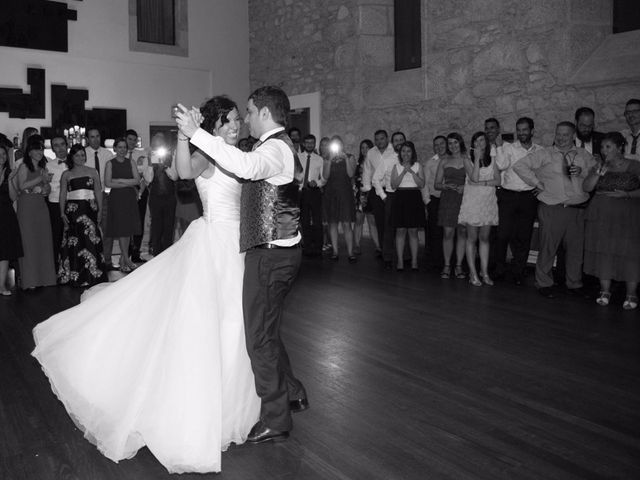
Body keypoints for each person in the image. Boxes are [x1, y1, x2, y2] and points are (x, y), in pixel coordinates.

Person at [32, 96, 261, 474]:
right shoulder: (210, 154)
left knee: (236, 325)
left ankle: (233, 403)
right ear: (216, 125)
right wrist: (188, 136)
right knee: (214, 323)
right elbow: (183, 173)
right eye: (230, 121)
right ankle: (202, 408)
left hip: (238, 245)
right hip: (215, 245)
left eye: (239, 120)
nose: (236, 126)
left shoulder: (239, 154)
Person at [176, 85, 309, 446]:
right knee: (263, 328)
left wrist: (197, 133)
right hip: (260, 248)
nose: (245, 118)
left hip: (270, 254)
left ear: (264, 113)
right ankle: (291, 391)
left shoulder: (273, 149)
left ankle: (276, 418)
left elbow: (247, 169)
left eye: (248, 111)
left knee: (258, 337)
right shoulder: (270, 145)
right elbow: (195, 171)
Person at [513, 121, 595, 299]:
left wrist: (582, 172)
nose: (561, 137)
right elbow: (519, 166)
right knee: (548, 248)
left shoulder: (584, 155)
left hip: (577, 210)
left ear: (573, 136)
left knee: (575, 250)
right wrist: (537, 183)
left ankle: (574, 284)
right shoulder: (545, 154)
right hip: (552, 208)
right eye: (558, 134)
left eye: (566, 134)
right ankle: (544, 282)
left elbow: (595, 174)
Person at [583, 132, 640, 309]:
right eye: (602, 147)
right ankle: (605, 290)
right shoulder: (599, 166)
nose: (603, 150)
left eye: (608, 147)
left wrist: (628, 194)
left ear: (620, 147)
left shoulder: (634, 165)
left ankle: (631, 294)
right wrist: (597, 174)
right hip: (601, 215)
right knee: (604, 251)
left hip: (627, 215)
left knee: (629, 253)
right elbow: (586, 187)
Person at [494, 117, 542, 285]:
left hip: (529, 197)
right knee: (502, 235)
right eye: (519, 130)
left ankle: (518, 272)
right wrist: (499, 146)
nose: (521, 133)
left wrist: (541, 187)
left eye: (525, 130)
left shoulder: (540, 150)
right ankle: (499, 270)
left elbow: (545, 173)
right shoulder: (509, 148)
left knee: (523, 236)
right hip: (508, 195)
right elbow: (500, 165)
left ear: (532, 131)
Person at [57, 144, 107, 287]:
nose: (81, 158)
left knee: (91, 240)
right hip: (73, 211)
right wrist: (61, 213)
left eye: (82, 155)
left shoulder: (93, 171)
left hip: (90, 209)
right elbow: (62, 195)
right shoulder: (66, 174)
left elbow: (98, 191)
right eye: (77, 155)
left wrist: (100, 210)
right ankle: (74, 275)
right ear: (71, 157)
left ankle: (93, 275)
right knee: (74, 240)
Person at [458, 132, 501, 286]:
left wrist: (483, 184)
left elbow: (498, 180)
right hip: (473, 203)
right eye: (476, 141)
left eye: (482, 140)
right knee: (472, 238)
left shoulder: (493, 158)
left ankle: (485, 272)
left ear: (486, 142)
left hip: (488, 202)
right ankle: (472, 273)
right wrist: (476, 158)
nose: (479, 143)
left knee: (484, 238)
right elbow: (474, 177)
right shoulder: (467, 159)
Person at [15, 139, 57, 289]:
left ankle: (45, 278)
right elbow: (21, 186)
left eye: (41, 150)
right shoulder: (24, 166)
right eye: (37, 150)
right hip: (26, 206)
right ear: (30, 152)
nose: (40, 153)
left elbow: (47, 189)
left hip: (40, 205)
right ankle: (30, 280)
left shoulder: (43, 168)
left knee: (43, 241)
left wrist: (45, 187)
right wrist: (41, 179)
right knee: (28, 242)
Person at [103, 138, 142, 273]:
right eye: (119, 147)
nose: (122, 150)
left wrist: (119, 181)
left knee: (127, 230)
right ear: (114, 149)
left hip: (129, 198)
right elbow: (108, 183)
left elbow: (137, 180)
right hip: (117, 199)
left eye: (124, 147)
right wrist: (128, 182)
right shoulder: (110, 163)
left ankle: (123, 259)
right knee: (121, 229)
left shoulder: (131, 162)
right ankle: (127, 259)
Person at [435, 132, 467, 279]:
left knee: (462, 233)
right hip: (448, 198)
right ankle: (447, 265)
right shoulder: (444, 161)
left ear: (460, 143)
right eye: (450, 143)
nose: (453, 146)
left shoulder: (468, 159)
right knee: (448, 233)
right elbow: (437, 184)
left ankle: (459, 265)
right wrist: (446, 186)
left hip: (465, 199)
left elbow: (475, 181)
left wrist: (465, 188)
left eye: (455, 142)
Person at [390, 141, 426, 270]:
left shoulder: (418, 166)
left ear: (413, 153)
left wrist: (411, 171)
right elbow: (394, 185)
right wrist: (403, 172)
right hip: (400, 198)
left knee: (413, 231)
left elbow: (421, 184)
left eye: (408, 151)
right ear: (400, 153)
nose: (406, 153)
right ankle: (400, 261)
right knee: (400, 231)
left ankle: (414, 261)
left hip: (414, 198)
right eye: (403, 151)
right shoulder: (396, 166)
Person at [323, 135, 357, 262]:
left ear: (342, 145)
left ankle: (350, 252)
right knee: (332, 223)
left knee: (347, 223)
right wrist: (330, 160)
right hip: (331, 193)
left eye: (339, 144)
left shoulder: (350, 157)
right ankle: (335, 252)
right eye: (334, 144)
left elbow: (350, 174)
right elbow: (325, 176)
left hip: (345, 193)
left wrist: (346, 159)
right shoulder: (326, 158)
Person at [145, 133, 178, 256]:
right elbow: (148, 180)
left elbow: (175, 177)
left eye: (159, 145)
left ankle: (167, 255)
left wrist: (165, 166)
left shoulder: (172, 157)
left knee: (169, 226)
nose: (157, 147)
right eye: (154, 145)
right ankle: (156, 254)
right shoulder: (147, 158)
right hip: (155, 197)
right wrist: (150, 164)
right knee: (156, 226)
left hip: (170, 197)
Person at [0, 144, 23, 296]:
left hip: (5, 214)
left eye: (3, 154)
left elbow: (14, 197)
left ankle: (1, 286)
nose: (1, 157)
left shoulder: (11, 172)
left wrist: (8, 180)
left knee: (5, 252)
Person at [422, 136, 446, 271]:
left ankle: (450, 260)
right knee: (435, 233)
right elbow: (424, 184)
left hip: (450, 200)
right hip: (435, 200)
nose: (439, 147)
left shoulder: (453, 159)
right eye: (436, 145)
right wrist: (428, 201)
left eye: (442, 143)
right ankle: (437, 261)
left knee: (448, 232)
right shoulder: (430, 163)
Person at [299, 134, 326, 257]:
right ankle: (307, 247)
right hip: (301, 192)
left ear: (315, 144)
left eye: (312, 142)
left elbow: (324, 178)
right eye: (307, 142)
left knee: (317, 220)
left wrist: (318, 183)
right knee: (304, 221)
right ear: (303, 144)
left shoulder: (319, 159)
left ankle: (318, 247)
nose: (310, 145)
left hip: (314, 192)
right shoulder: (298, 157)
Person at [46, 135, 69, 270]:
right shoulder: (48, 166)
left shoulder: (76, 162)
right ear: (53, 149)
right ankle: (56, 269)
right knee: (56, 237)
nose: (60, 148)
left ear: (66, 145)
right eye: (56, 145)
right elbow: (47, 187)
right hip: (54, 204)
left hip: (73, 203)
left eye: (62, 144)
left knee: (73, 237)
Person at [354, 139, 377, 255]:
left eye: (366, 147)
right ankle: (357, 245)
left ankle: (378, 246)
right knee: (359, 221)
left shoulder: (375, 162)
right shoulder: (358, 163)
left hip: (372, 194)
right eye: (362, 148)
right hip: (360, 195)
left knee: (372, 221)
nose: (364, 150)